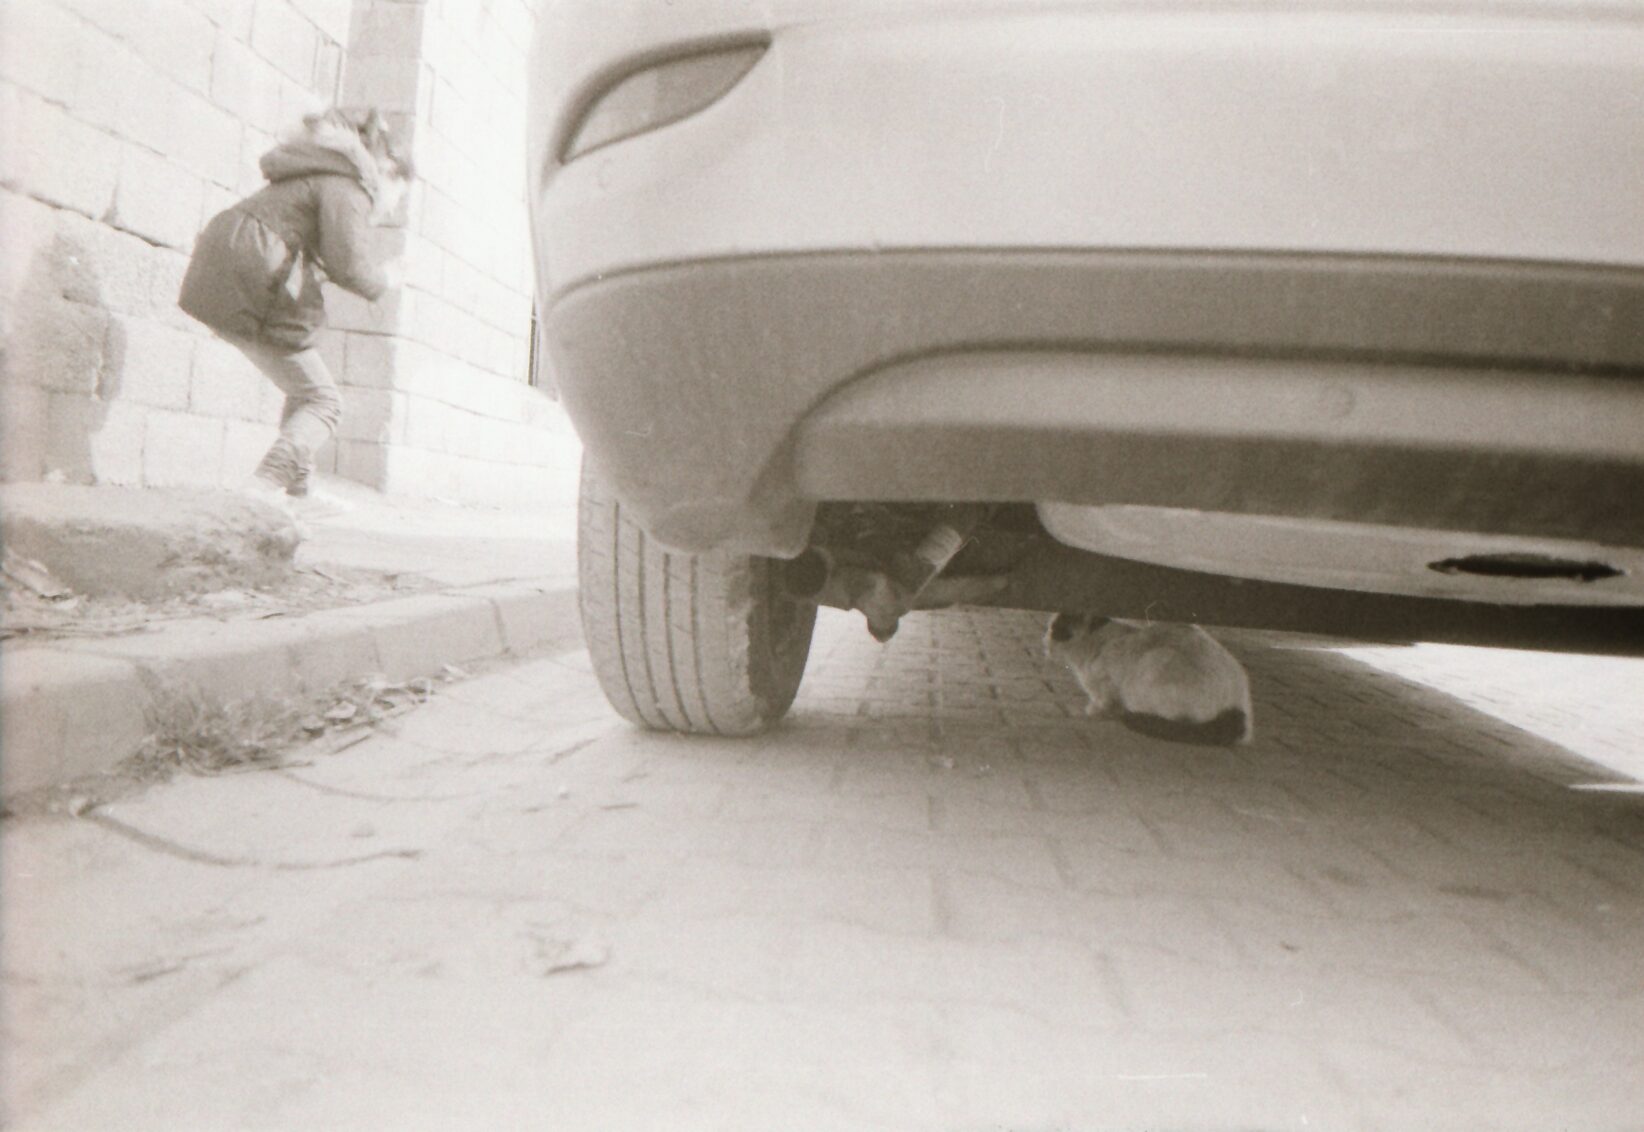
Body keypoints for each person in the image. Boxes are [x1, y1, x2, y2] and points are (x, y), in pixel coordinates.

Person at [179, 107, 412, 516]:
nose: (392, 209)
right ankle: (264, 485)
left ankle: (297, 490)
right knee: (325, 402)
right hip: (255, 271)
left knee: (305, 388)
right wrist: (386, 278)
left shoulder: (317, 172)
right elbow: (349, 265)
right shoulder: (348, 185)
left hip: (231, 259)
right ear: (386, 169)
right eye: (399, 195)